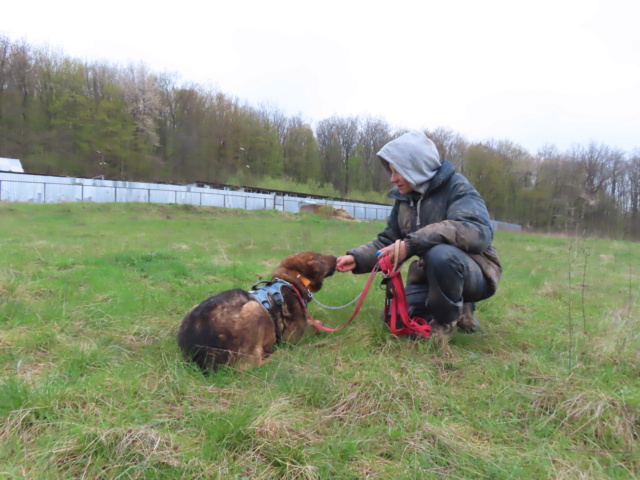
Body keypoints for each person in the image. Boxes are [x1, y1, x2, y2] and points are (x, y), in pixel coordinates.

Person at [336, 131, 502, 336]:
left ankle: (444, 325)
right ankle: (452, 310)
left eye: (397, 171)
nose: (392, 179)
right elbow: (389, 240)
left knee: (441, 255)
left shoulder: (457, 187)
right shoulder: (405, 198)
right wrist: (357, 258)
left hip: (474, 273)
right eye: (390, 172)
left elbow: (477, 231)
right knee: (393, 319)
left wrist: (411, 245)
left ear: (415, 167)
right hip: (429, 276)